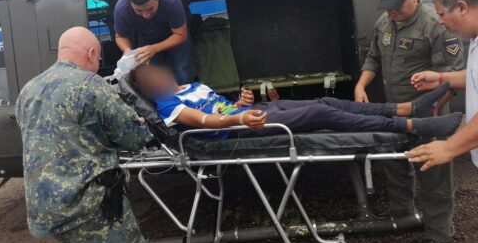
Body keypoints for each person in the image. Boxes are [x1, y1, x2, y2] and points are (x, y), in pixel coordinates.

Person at [15, 27, 153, 243]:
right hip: (89, 206)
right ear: (91, 53)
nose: (98, 63)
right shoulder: (90, 85)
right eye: (99, 58)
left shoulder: (28, 90)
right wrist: (140, 121)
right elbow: (135, 138)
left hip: (47, 210)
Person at [354, 0, 465, 243]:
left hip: (429, 115)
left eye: (396, 5)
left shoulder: (434, 27)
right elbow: (373, 57)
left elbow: (452, 76)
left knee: (433, 175)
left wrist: (433, 109)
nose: (391, 11)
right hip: (395, 112)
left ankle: (438, 235)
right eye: (387, 6)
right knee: (395, 166)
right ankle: (403, 216)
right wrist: (361, 84)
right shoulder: (385, 22)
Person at [130, 64, 463, 139]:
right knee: (320, 112)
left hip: (251, 113)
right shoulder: (167, 107)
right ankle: (412, 126)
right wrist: (238, 119)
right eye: (151, 81)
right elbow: (203, 122)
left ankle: (407, 108)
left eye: (157, 72)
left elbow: (221, 105)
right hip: (241, 130)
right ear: (151, 90)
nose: (159, 77)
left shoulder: (192, 85)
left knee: (324, 101)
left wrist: (239, 101)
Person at [407, 0, 478, 171]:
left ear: (462, 7)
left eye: (441, 14)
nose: (440, 22)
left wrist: (448, 148)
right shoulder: (475, 39)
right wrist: (441, 78)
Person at [114, 0, 192, 84]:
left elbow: (181, 35)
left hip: (175, 37)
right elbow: (120, 36)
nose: (146, 15)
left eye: (150, 8)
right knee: (152, 78)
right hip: (147, 40)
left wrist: (155, 48)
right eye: (139, 11)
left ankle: (186, 98)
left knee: (181, 71)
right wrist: (127, 50)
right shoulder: (121, 9)